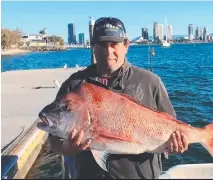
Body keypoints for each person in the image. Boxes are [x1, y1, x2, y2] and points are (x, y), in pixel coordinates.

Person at [48, 17, 189, 179]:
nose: (108, 52)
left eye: (114, 44)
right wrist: (66, 148)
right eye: (101, 44)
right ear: (93, 47)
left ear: (126, 45)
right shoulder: (74, 84)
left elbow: (171, 126)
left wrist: (176, 144)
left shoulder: (150, 81)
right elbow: (53, 140)